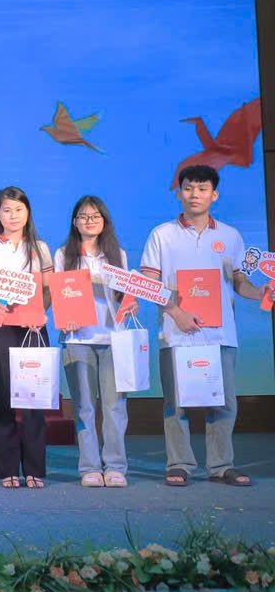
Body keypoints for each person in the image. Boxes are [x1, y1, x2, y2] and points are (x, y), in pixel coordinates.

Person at [140, 165, 265, 488]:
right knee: (176, 404)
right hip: (176, 333)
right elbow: (148, 284)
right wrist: (176, 312)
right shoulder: (161, 234)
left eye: (202, 188)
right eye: (188, 188)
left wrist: (260, 293)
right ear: (179, 193)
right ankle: (179, 464)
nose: (194, 194)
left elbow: (238, 281)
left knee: (223, 403)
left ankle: (221, 466)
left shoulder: (230, 235)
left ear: (214, 195)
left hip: (220, 335)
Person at [0, 187, 52, 489]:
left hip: (32, 328)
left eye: (19, 210)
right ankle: (7, 468)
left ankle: (34, 468)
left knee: (34, 398)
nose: (13, 216)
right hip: (0, 327)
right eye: (7, 210)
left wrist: (40, 313)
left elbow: (48, 289)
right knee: (3, 397)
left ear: (27, 213)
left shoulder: (40, 248)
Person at [54, 196, 133, 488]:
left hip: (113, 339)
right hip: (78, 339)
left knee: (114, 408)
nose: (89, 221)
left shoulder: (117, 255)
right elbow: (60, 295)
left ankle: (115, 467)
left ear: (104, 221)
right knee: (84, 407)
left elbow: (124, 295)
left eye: (95, 216)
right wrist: (64, 318)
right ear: (74, 222)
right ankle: (89, 467)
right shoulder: (63, 255)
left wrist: (131, 303)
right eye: (83, 216)